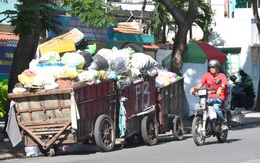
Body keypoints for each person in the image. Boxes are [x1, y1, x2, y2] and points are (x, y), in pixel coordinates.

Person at [189, 59, 229, 131]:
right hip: (208, 98)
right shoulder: (206, 75)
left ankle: (223, 123)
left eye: (214, 67)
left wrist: (220, 88)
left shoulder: (222, 76)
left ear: (217, 68)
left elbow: (223, 85)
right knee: (197, 107)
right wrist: (194, 88)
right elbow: (199, 85)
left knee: (216, 107)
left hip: (219, 98)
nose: (212, 69)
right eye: (211, 67)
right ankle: (200, 124)